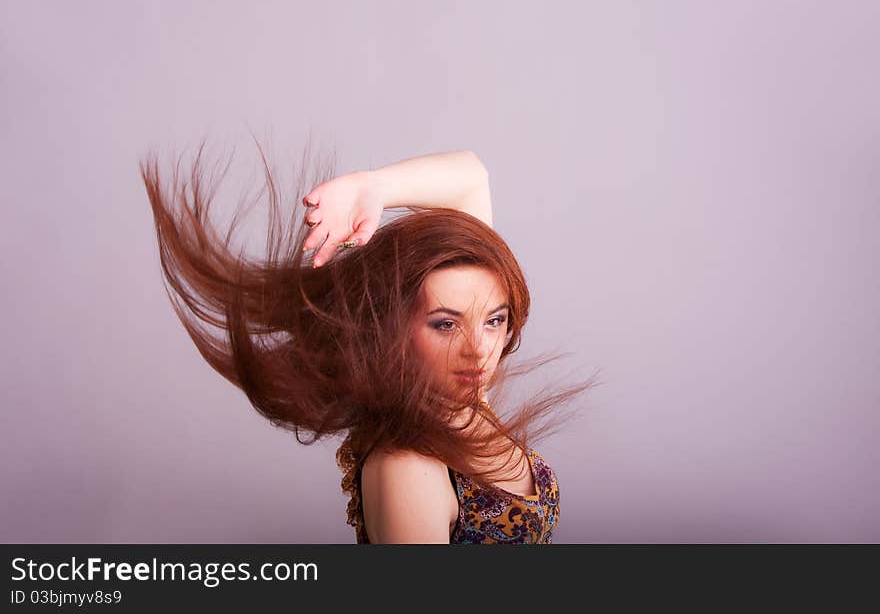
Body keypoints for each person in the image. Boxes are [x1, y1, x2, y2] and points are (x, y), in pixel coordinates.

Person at [140, 144, 600, 543]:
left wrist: (373, 187)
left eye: (494, 320)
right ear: (393, 329)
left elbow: (471, 176)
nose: (478, 348)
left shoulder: (466, 399)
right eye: (445, 325)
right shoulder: (408, 467)